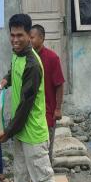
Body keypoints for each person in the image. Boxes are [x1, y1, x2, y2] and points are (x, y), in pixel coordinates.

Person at [0, 14, 62, 182]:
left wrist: (7, 132)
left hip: (32, 133)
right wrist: (6, 79)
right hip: (21, 132)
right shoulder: (17, 55)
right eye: (12, 35)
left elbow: (25, 105)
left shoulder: (33, 64)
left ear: (29, 35)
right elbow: (13, 69)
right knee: (21, 177)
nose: (15, 40)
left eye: (20, 36)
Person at [30, 24, 65, 162]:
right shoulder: (28, 58)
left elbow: (59, 85)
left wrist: (58, 108)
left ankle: (47, 177)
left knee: (46, 148)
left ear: (42, 38)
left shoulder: (52, 58)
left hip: (47, 112)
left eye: (32, 37)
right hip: (31, 113)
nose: (29, 40)